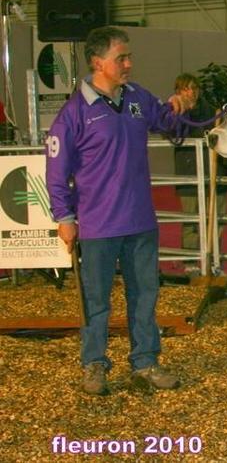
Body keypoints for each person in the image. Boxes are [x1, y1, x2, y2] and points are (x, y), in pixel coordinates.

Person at [45, 26, 190, 395]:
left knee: (145, 295)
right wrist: (64, 218)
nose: (128, 63)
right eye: (120, 58)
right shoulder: (73, 114)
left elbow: (164, 121)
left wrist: (177, 107)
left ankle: (145, 362)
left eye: (129, 57)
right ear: (97, 62)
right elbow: (56, 172)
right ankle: (94, 364)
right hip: (97, 225)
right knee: (96, 301)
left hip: (141, 220)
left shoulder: (137, 97)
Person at [172, 73, 227, 274]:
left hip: (214, 175)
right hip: (189, 176)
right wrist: (182, 112)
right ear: (179, 91)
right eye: (187, 89)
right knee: (191, 222)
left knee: (217, 222)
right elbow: (172, 134)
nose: (192, 92)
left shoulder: (213, 111)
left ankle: (215, 262)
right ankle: (190, 263)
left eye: (194, 88)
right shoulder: (174, 111)